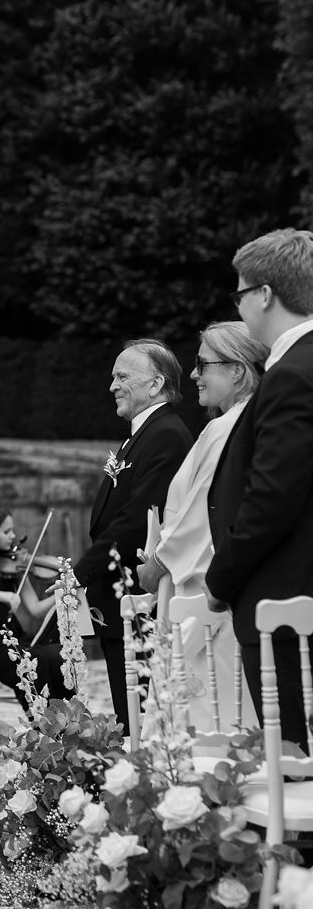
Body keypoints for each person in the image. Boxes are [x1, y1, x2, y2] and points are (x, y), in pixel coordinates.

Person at [208, 230, 313, 747]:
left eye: (240, 294)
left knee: (296, 772)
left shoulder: (293, 374)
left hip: (286, 602)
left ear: (266, 294)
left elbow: (273, 496)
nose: (241, 305)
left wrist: (221, 577)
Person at [136, 321, 266, 724]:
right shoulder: (245, 424)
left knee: (203, 714)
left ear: (238, 371)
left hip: (205, 595)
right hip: (220, 588)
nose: (193, 374)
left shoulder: (226, 429)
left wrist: (155, 564)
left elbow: (201, 516)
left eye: (203, 364)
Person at [73, 339, 193, 731]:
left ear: (156, 384)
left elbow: (137, 519)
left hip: (139, 594)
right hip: (119, 593)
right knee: (129, 707)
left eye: (123, 376)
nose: (112, 386)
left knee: (141, 709)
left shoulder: (166, 435)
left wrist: (78, 574)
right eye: (113, 377)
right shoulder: (144, 434)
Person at [0, 506, 67, 706]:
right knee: (33, 662)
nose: (13, 536)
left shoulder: (14, 564)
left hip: (12, 638)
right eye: (6, 531)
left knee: (55, 656)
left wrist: (62, 592)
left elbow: (35, 608)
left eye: (12, 530)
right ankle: (42, 723)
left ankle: (65, 719)